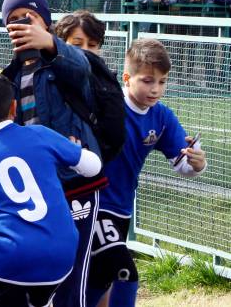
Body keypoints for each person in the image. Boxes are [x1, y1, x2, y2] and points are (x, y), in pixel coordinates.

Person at [0, 71, 102, 307]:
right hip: (62, 253)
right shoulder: (40, 134)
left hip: (11, 257)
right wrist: (74, 149)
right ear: (14, 108)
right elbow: (93, 166)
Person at [0, 0, 103, 307]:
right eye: (13, 20)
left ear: (45, 22)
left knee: (73, 273)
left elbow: (82, 66)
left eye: (28, 17)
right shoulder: (11, 76)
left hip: (75, 184)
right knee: (37, 271)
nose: (21, 25)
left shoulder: (61, 61)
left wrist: (51, 45)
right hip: (39, 188)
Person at [86, 39, 207, 307]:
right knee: (124, 272)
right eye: (147, 80)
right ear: (127, 78)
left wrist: (197, 163)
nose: (155, 89)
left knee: (99, 280)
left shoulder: (162, 117)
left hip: (120, 208)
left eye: (162, 82)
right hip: (90, 204)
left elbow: (183, 163)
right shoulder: (108, 103)